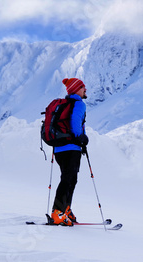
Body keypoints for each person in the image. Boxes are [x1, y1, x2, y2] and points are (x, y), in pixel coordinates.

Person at [51, 77, 89, 226]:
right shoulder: (79, 104)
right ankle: (57, 212)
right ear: (76, 89)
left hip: (59, 148)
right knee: (68, 180)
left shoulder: (65, 104)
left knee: (70, 179)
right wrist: (81, 137)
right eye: (82, 87)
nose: (85, 89)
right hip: (71, 147)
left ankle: (65, 209)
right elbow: (75, 123)